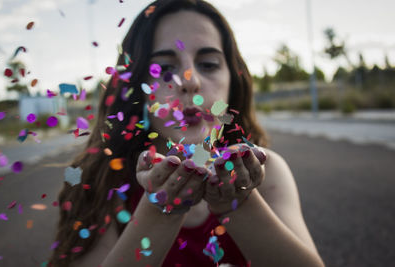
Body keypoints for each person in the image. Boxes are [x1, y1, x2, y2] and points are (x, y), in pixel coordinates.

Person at [48, 0, 325, 266]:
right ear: (136, 85)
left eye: (208, 64)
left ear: (233, 79)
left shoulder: (270, 172)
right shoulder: (99, 179)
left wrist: (238, 205)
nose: (189, 82)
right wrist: (160, 210)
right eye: (165, 68)